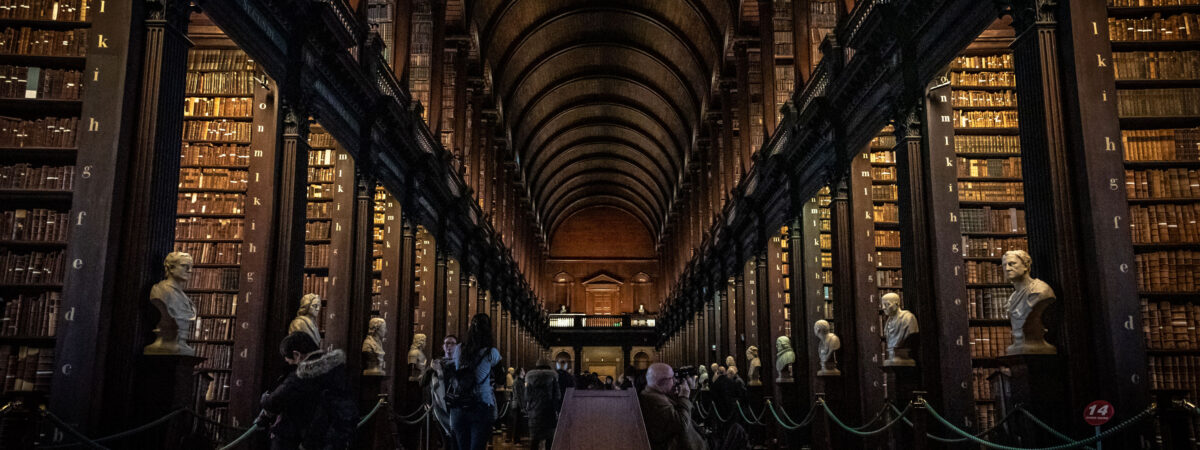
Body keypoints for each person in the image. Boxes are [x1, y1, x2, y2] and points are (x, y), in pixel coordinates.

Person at [259, 332, 355, 450]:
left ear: (297, 355)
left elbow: (273, 402)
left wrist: (265, 398)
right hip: (335, 439)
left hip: (306, 439)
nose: (289, 364)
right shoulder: (338, 369)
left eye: (289, 360)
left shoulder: (303, 375)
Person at [447, 314, 502, 450]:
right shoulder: (491, 353)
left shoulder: (459, 349)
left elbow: (457, 370)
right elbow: (501, 378)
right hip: (481, 404)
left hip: (460, 405)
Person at [638, 363, 706, 450]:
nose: (675, 381)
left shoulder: (654, 394)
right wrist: (684, 396)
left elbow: (680, 410)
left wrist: (689, 391)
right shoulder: (653, 400)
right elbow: (681, 423)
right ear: (662, 381)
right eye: (672, 378)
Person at [421, 335, 458, 450]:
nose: (449, 346)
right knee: (444, 440)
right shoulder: (437, 363)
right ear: (443, 346)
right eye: (447, 343)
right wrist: (432, 369)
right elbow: (422, 383)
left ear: (456, 347)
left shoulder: (459, 364)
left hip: (455, 407)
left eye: (452, 343)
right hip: (439, 407)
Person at [524, 359, 560, 450]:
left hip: (534, 411)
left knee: (535, 439)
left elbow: (527, 396)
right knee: (549, 439)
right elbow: (557, 395)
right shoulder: (553, 377)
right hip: (549, 411)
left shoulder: (530, 377)